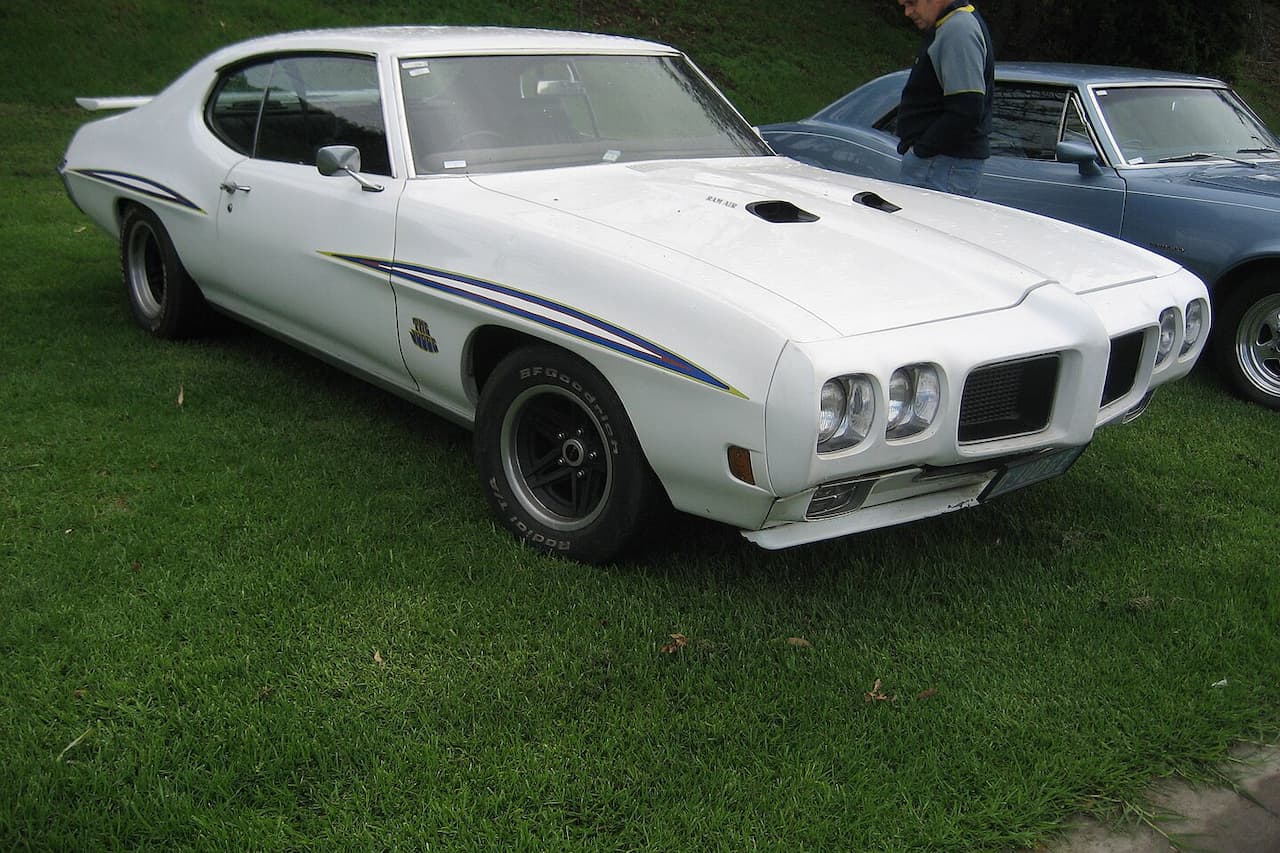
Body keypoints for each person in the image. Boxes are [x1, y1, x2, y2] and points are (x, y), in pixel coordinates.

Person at [895, 0, 994, 197]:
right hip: (941, 164)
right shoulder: (951, 24)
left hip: (942, 166)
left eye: (912, 3)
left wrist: (921, 151)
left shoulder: (958, 29)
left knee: (921, 227)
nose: (908, 12)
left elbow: (967, 109)